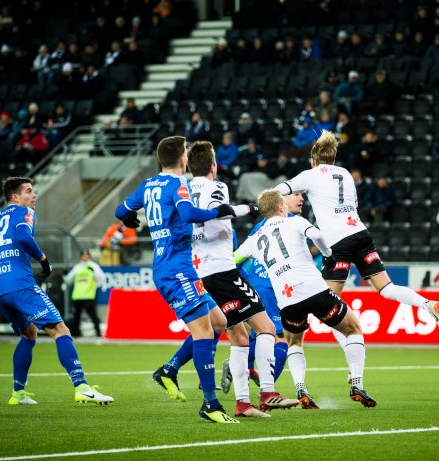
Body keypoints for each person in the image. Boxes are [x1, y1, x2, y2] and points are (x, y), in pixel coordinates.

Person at [113, 135, 253, 424]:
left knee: (219, 323)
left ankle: (169, 370)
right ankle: (210, 405)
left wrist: (129, 219)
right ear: (184, 160)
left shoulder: (148, 184)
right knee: (204, 332)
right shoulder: (178, 184)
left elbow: (120, 211)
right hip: (176, 270)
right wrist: (220, 211)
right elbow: (189, 214)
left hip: (175, 267)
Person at [155, 141, 295, 418]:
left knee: (239, 337)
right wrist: (244, 209)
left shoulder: (180, 188)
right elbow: (220, 212)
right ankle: (268, 393)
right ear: (213, 166)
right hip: (221, 270)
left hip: (198, 271)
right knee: (267, 329)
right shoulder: (217, 187)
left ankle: (243, 404)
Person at [274, 131, 439, 342]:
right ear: (333, 157)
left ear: (314, 160)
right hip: (360, 234)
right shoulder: (346, 174)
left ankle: (352, 359)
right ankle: (427, 304)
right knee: (387, 288)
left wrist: (270, 205)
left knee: (331, 306)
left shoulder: (310, 175)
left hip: (338, 242)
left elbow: (278, 190)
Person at [0, 176, 114, 406]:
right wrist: (44, 261)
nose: (34, 196)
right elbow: (24, 236)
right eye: (29, 191)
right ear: (16, 197)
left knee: (29, 334)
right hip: (21, 285)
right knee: (61, 330)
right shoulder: (24, 213)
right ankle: (82, 386)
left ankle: (18, 393)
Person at [234, 189, 377, 408]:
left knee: (293, 342)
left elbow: (234, 259)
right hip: (315, 291)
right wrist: (329, 255)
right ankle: (356, 383)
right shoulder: (295, 222)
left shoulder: (256, 238)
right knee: (353, 329)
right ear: (281, 207)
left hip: (288, 301)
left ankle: (300, 388)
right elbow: (318, 236)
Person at [234, 192, 306, 403]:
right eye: (296, 195)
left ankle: (243, 366)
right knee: (281, 338)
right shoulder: (293, 223)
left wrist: (242, 279)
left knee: (259, 334)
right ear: (282, 203)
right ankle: (266, 390)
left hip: (256, 284)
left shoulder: (263, 224)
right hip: (274, 287)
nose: (301, 199)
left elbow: (241, 254)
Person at [62, 249, 105, 338]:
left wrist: (94, 272)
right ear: (81, 257)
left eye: (86, 255)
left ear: (89, 256)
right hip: (78, 296)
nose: (85, 257)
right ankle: (75, 334)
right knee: (76, 317)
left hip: (88, 296)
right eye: (83, 255)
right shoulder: (77, 267)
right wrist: (64, 275)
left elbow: (101, 277)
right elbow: (68, 280)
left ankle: (98, 333)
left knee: (93, 316)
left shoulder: (93, 266)